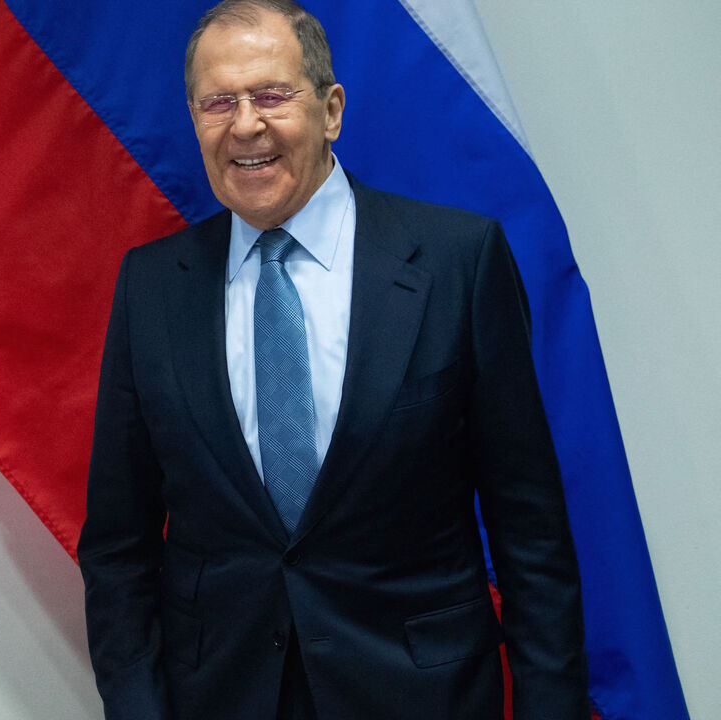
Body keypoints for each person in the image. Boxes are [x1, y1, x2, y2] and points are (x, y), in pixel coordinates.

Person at [77, 2, 589, 718]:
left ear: (332, 110)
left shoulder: (457, 263)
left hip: (422, 697)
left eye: (271, 95)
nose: (245, 125)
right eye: (218, 102)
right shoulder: (152, 287)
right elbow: (117, 545)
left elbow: (531, 533)